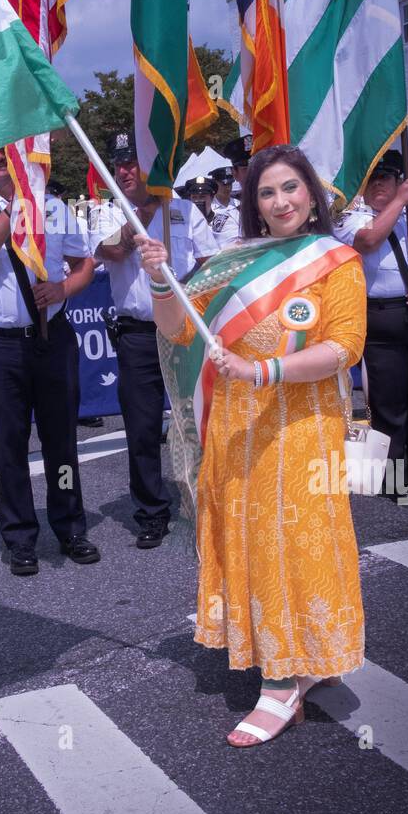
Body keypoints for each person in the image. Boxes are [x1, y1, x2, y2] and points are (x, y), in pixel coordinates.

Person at [143, 145, 367, 747]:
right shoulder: (227, 265)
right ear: (254, 205)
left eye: (290, 188)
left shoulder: (336, 261)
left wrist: (262, 372)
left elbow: (346, 347)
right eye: (267, 193)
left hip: (301, 429)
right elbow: (177, 331)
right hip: (236, 430)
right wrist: (162, 283)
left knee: (294, 542)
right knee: (247, 538)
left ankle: (284, 679)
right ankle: (285, 659)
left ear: (311, 194)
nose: (281, 202)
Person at [0, 148, 98, 575]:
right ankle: (20, 538)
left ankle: (70, 528)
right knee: (9, 444)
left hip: (52, 341)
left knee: (62, 441)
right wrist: (12, 210)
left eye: (8, 151)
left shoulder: (53, 207)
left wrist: (65, 289)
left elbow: (85, 262)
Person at [88, 130, 216, 549]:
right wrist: (136, 219)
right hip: (138, 337)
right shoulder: (108, 214)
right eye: (118, 163)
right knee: (142, 429)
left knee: (197, 423)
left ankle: (207, 501)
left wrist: (193, 291)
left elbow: (209, 261)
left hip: (184, 332)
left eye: (132, 162)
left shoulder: (183, 210)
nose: (124, 170)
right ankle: (152, 512)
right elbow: (108, 253)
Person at [335, 151, 408, 499]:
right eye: (371, 178)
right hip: (381, 317)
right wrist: (401, 200)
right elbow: (369, 241)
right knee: (390, 405)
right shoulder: (352, 219)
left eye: (385, 177)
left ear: (399, 179)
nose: (377, 184)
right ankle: (397, 480)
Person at [208, 166, 240, 248]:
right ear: (215, 184)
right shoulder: (209, 209)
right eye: (224, 184)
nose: (228, 188)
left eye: (230, 184)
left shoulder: (239, 204)